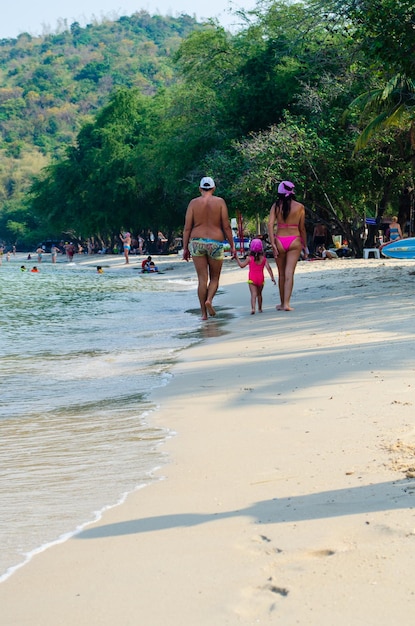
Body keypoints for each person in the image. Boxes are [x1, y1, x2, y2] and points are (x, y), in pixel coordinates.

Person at [183, 176, 235, 320]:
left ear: (200, 188)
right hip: (215, 242)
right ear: (213, 188)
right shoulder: (220, 202)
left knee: (202, 279)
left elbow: (187, 228)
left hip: (196, 242)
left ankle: (203, 314)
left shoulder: (193, 203)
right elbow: (226, 226)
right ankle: (209, 300)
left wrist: (185, 247)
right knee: (214, 278)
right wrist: (232, 246)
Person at [268, 180, 308, 311]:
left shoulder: (275, 206)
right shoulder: (300, 207)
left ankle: (281, 303)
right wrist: (305, 246)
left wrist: (273, 243)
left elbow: (270, 224)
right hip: (294, 240)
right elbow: (302, 229)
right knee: (289, 272)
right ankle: (286, 303)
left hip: (279, 240)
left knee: (281, 274)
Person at [233, 238, 276, 314]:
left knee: (253, 294)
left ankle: (253, 308)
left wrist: (237, 258)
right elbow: (269, 268)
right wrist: (272, 278)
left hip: (252, 278)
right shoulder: (263, 259)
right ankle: (260, 308)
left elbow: (242, 265)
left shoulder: (249, 258)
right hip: (261, 278)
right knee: (259, 294)